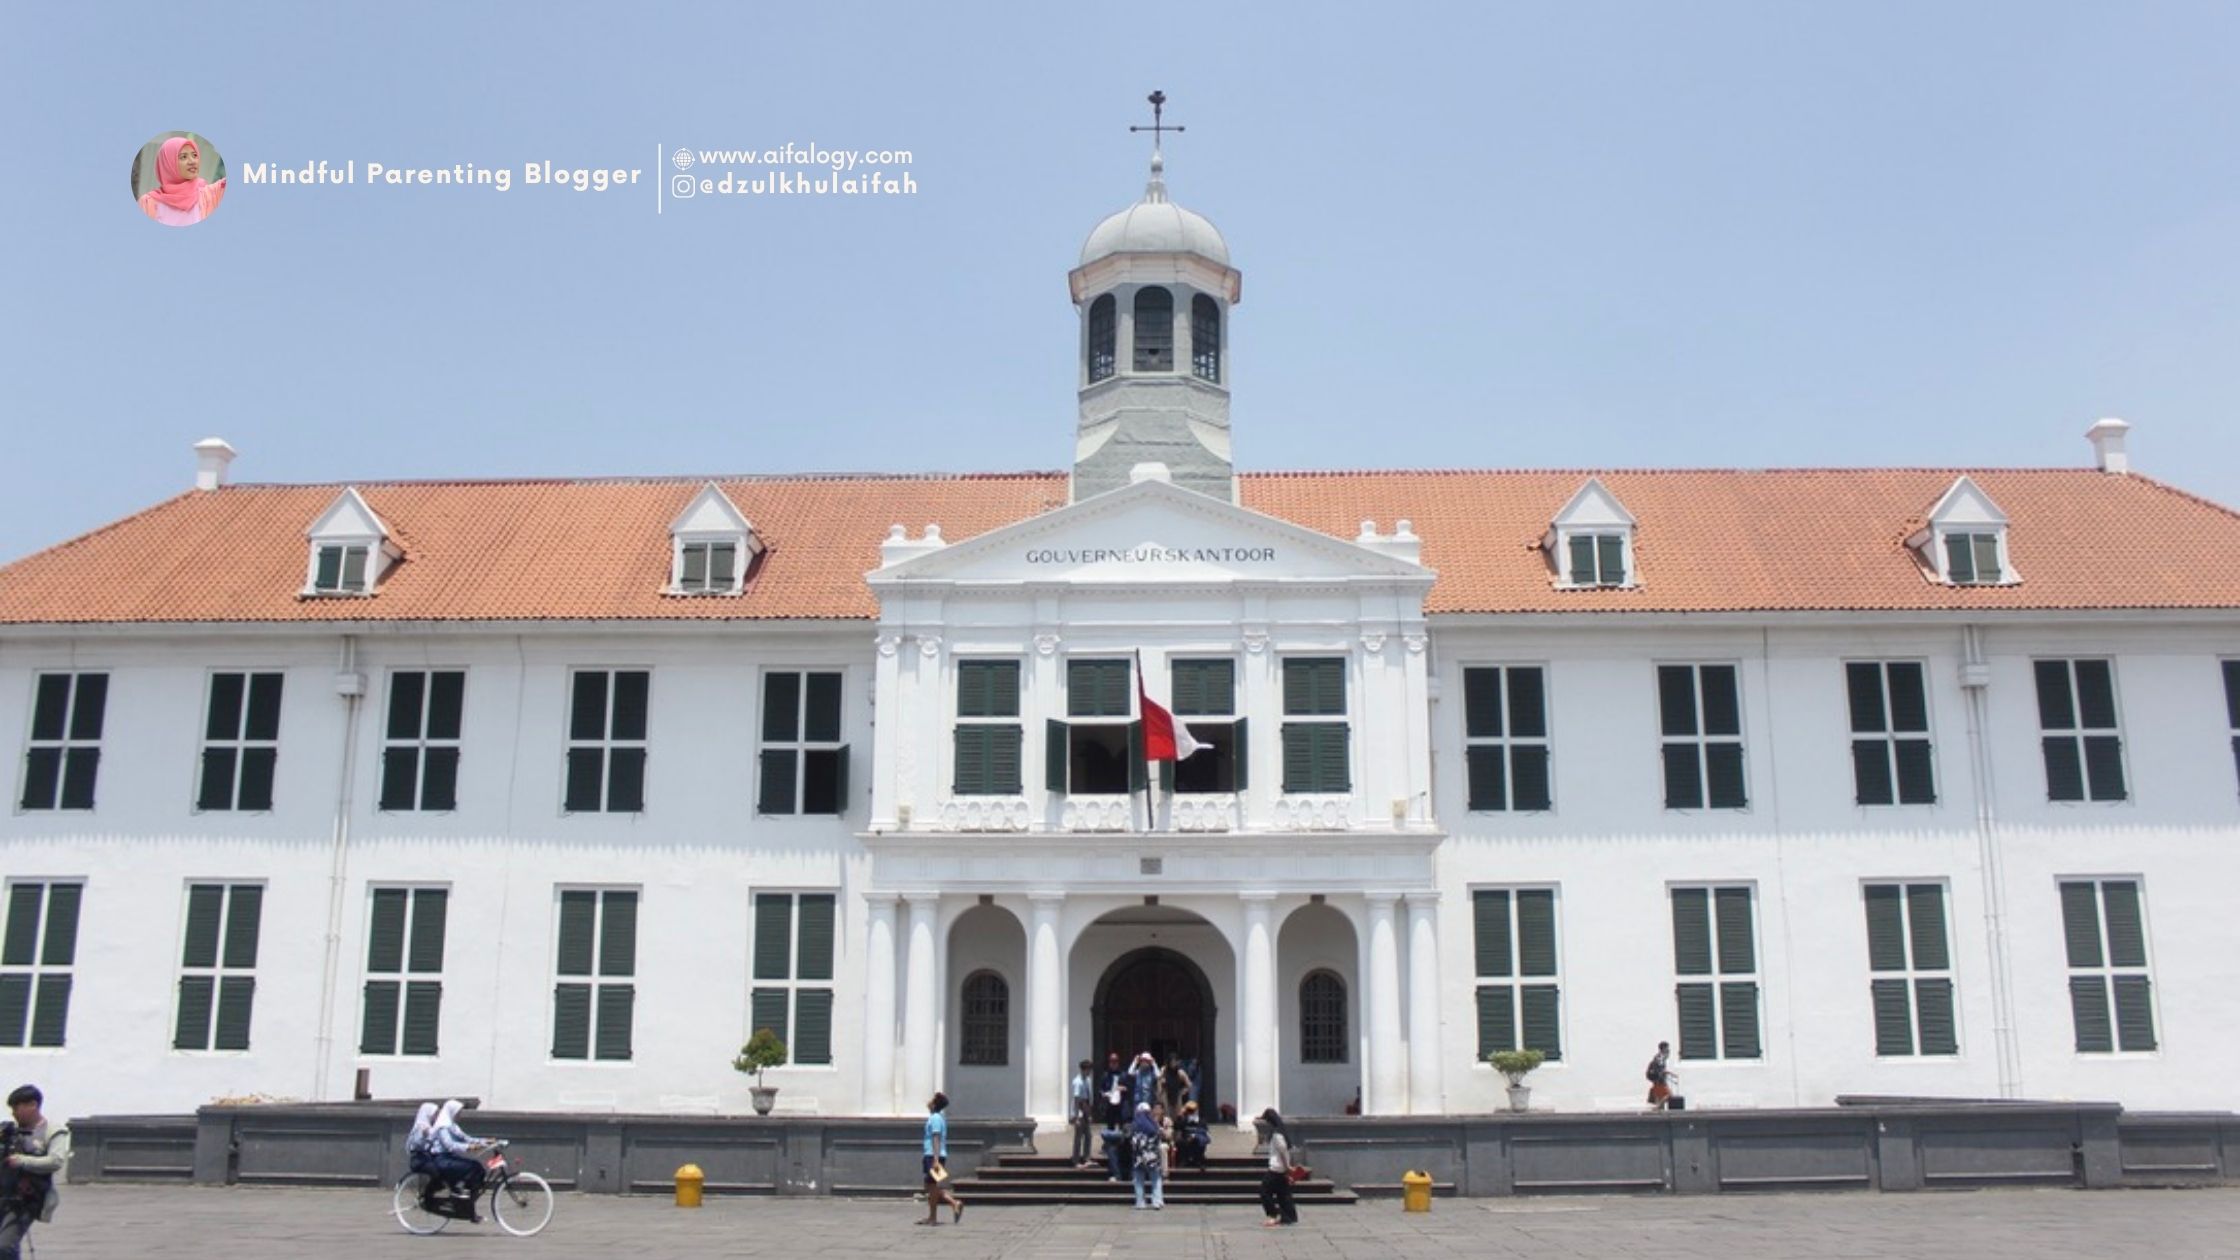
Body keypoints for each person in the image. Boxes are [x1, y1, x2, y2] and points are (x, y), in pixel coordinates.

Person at [0, 1084, 70, 1260]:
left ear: (32, 1105)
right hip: (4, 1192)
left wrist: (22, 1161)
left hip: (27, 1198)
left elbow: (55, 1161)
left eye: (17, 1108)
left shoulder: (53, 1131)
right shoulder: (9, 1131)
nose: (14, 1113)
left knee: (5, 1245)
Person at [138, 135, 227, 227]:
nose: (192, 161)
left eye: (195, 155)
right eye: (183, 157)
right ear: (168, 164)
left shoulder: (209, 195)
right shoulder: (147, 203)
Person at [428, 1099, 490, 1202]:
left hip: (449, 1157)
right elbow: (450, 1145)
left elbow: (467, 1138)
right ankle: (461, 1195)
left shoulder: (453, 1126)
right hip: (441, 1159)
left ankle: (467, 1200)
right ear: (452, 1112)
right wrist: (469, 1147)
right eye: (458, 1113)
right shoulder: (442, 1127)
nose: (459, 1115)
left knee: (478, 1168)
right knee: (472, 1167)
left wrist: (486, 1141)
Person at [918, 1092, 964, 1226]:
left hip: (934, 1156)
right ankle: (950, 1206)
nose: (928, 1102)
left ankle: (941, 1212)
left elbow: (936, 1138)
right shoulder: (937, 1117)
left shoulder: (936, 1119)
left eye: (931, 1100)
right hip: (932, 1155)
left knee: (932, 1186)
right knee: (930, 1186)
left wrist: (936, 1159)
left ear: (934, 1104)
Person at [1257, 1108, 1298, 1227]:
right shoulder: (1281, 1132)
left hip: (1276, 1168)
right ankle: (1289, 1216)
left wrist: (1288, 1167)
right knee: (1283, 1193)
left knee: (1264, 1191)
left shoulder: (1277, 1135)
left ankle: (1273, 1215)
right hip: (1281, 1168)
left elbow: (1283, 1151)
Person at [1128, 1102, 1165, 1210]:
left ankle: (1140, 1202)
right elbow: (1158, 1139)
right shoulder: (1154, 1125)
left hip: (1138, 1158)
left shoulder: (1135, 1125)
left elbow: (1132, 1141)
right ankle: (1157, 1201)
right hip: (1152, 1157)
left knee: (1139, 1180)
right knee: (1156, 1179)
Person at [1069, 1059, 1097, 1167]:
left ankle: (1086, 1157)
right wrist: (1076, 1117)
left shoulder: (1087, 1080)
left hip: (1086, 1109)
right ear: (1083, 1070)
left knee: (1088, 1136)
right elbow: (1077, 1100)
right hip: (1080, 1110)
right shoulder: (1078, 1082)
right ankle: (1076, 1160)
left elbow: (1088, 1098)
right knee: (1078, 1136)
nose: (1089, 1072)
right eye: (1088, 1069)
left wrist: (1089, 1113)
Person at [403, 1101, 439, 1175]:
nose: (437, 1116)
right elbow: (416, 1144)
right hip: (420, 1160)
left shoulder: (429, 1127)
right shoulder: (421, 1127)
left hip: (426, 1158)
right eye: (435, 1114)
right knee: (440, 1171)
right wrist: (424, 1136)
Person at [1175, 1101, 1210, 1172]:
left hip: (1197, 1139)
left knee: (1199, 1141)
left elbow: (1204, 1130)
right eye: (1189, 1111)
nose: (1191, 1113)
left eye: (1192, 1111)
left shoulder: (1201, 1120)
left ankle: (1199, 1161)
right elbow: (1176, 1127)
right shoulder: (1184, 1120)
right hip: (1186, 1139)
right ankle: (1184, 1160)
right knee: (1180, 1142)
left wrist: (1194, 1136)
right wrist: (1179, 1116)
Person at [1646, 1040, 1677, 1109]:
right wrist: (1667, 1074)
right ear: (1664, 1048)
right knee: (1669, 1095)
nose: (1669, 1050)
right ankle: (1658, 1107)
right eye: (1667, 1048)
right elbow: (1660, 1070)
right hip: (1659, 1081)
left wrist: (1669, 1073)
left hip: (1658, 1081)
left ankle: (1659, 1109)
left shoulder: (1659, 1057)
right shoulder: (1660, 1058)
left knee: (1660, 1097)